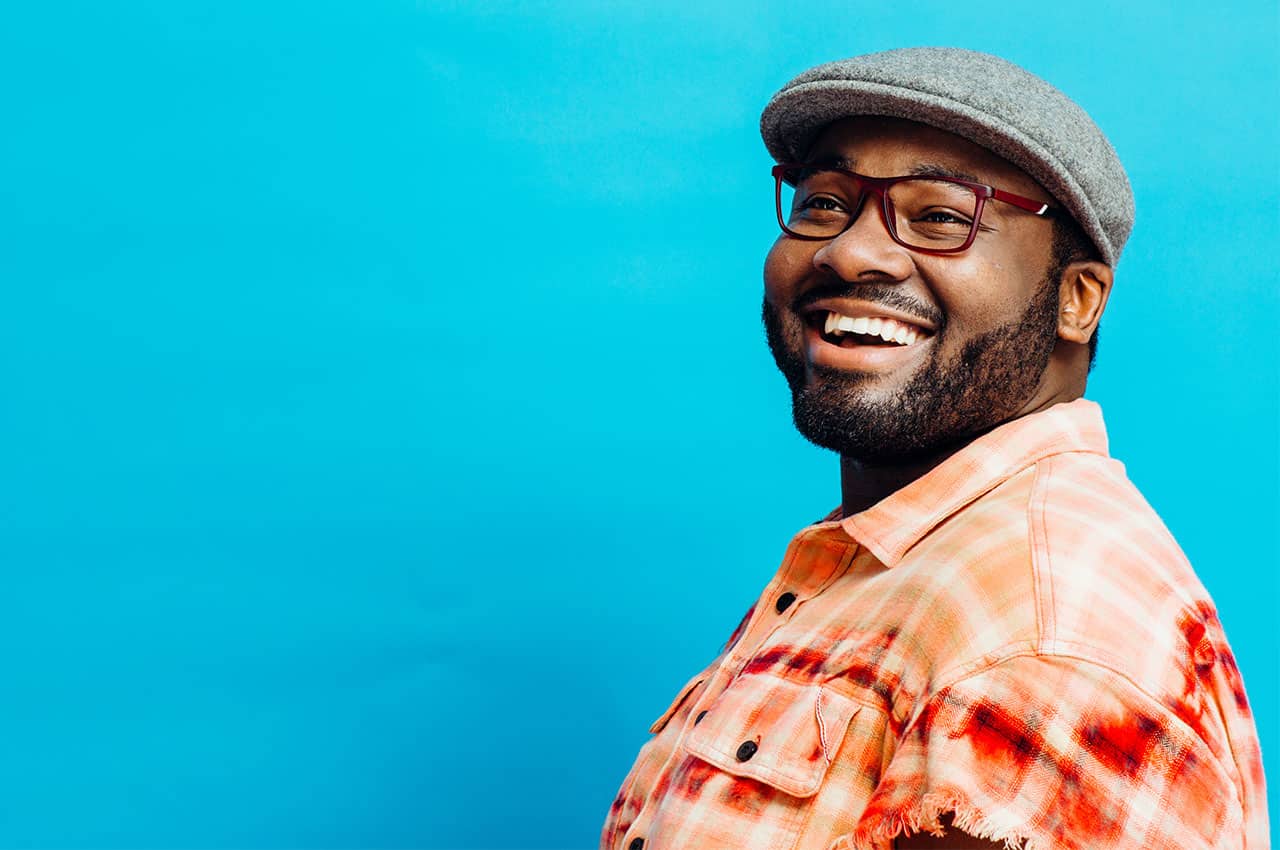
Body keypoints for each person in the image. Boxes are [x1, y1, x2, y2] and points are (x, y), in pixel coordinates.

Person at [599, 48, 1269, 850]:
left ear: (1077, 299)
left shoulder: (1041, 641)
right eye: (823, 203)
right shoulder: (898, 561)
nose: (849, 253)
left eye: (941, 217)